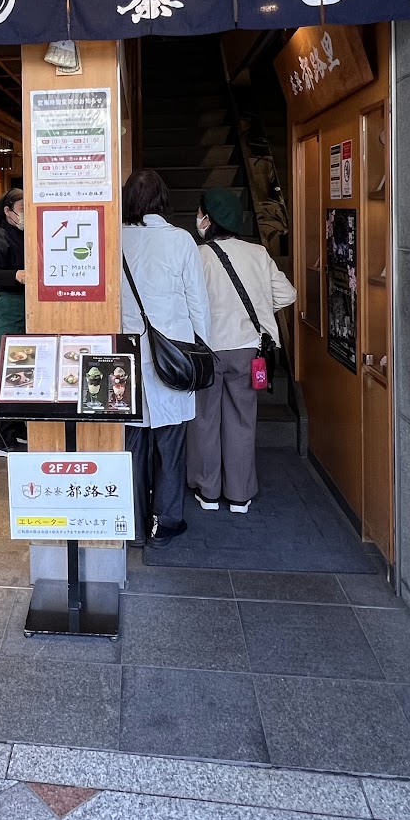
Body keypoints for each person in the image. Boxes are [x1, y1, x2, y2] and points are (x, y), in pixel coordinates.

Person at [120, 169, 210, 548]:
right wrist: (202, 349)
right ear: (163, 201)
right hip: (172, 356)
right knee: (170, 445)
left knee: (132, 443)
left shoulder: (115, 240)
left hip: (125, 356)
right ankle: (167, 521)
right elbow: (197, 303)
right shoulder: (181, 241)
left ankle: (135, 526)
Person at [193, 187, 296, 514]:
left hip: (207, 350)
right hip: (248, 351)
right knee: (241, 421)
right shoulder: (258, 254)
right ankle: (239, 496)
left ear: (208, 219)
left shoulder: (198, 256)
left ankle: (208, 492)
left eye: (200, 213)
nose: (197, 219)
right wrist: (263, 311)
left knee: (204, 420)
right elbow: (288, 294)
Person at [0, 187, 29, 457]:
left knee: (24, 372)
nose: (25, 215)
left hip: (27, 312)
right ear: (8, 211)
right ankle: (1, 439)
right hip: (6, 312)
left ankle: (19, 428)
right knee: (5, 375)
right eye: (22, 210)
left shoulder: (28, 234)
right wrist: (17, 275)